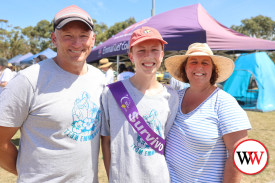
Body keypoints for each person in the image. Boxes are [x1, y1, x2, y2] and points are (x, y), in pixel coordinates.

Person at [0, 5, 105, 183]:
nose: (77, 43)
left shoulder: (100, 79)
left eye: (83, 36)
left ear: (93, 39)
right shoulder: (28, 80)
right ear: (54, 39)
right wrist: (28, 173)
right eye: (68, 36)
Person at [164, 43, 252, 183]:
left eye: (205, 63)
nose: (199, 67)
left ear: (213, 70)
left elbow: (240, 154)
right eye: (193, 62)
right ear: (185, 68)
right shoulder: (175, 97)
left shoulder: (224, 103)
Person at [101, 26, 179, 182]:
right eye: (141, 50)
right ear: (131, 56)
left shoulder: (171, 97)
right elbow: (106, 140)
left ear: (162, 55)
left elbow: (168, 141)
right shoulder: (111, 93)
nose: (148, 56)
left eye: (155, 50)